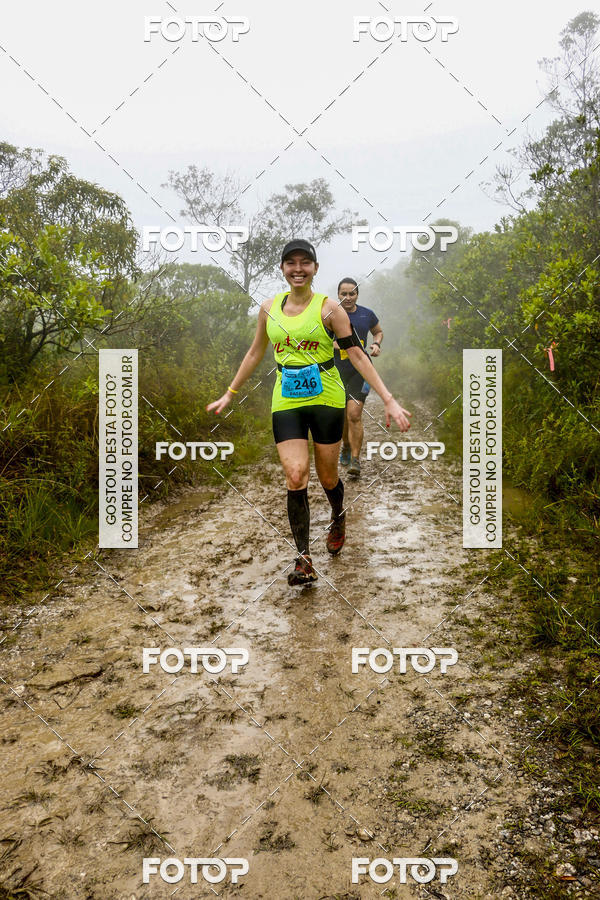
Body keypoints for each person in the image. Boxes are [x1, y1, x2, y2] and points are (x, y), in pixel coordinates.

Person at [207, 239, 411, 586]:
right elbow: (255, 352)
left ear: (315, 268)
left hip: (326, 398)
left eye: (305, 263)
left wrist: (388, 399)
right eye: (291, 263)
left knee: (328, 477)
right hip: (286, 400)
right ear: (283, 268)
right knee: (296, 474)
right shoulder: (269, 308)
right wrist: (230, 392)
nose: (298, 269)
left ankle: (338, 515)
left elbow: (357, 354)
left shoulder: (330, 309)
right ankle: (303, 560)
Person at [334, 278, 383, 478]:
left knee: (354, 414)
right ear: (338, 295)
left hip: (360, 371)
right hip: (335, 371)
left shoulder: (366, 314)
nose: (347, 297)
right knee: (342, 416)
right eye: (343, 294)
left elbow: (378, 331)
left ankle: (355, 459)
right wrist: (334, 344)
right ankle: (346, 445)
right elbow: (319, 340)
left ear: (357, 295)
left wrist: (376, 344)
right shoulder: (329, 314)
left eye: (351, 293)